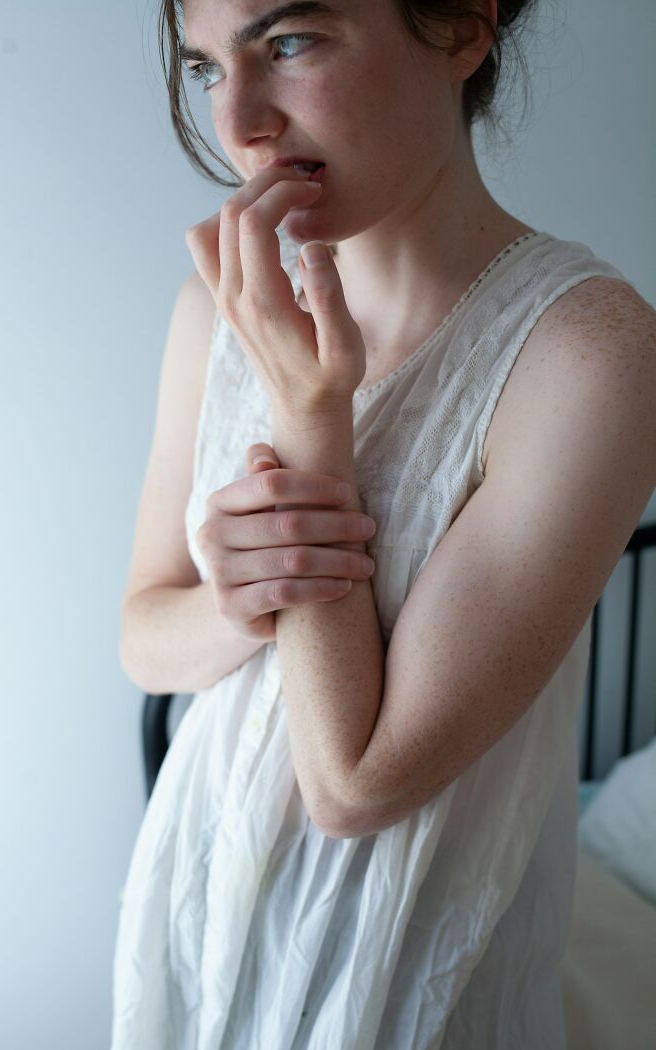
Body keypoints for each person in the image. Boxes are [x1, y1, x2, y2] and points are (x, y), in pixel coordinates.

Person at [111, 1, 656, 1047]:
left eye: (288, 43)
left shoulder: (594, 354)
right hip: (201, 908)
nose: (241, 126)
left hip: (409, 970)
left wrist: (312, 416)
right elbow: (143, 637)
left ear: (459, 25)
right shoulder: (212, 311)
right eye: (204, 68)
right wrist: (240, 600)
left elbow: (354, 784)